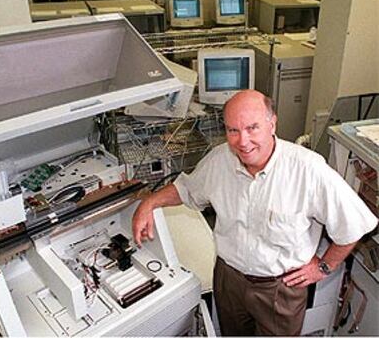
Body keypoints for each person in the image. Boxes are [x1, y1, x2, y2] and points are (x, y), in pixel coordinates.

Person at [132, 90, 377, 336]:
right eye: (233, 130)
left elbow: (353, 224)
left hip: (280, 288)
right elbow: (186, 189)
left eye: (252, 128)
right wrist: (150, 202)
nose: (243, 141)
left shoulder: (308, 169)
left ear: (272, 124)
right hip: (229, 279)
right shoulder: (220, 161)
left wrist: (324, 266)